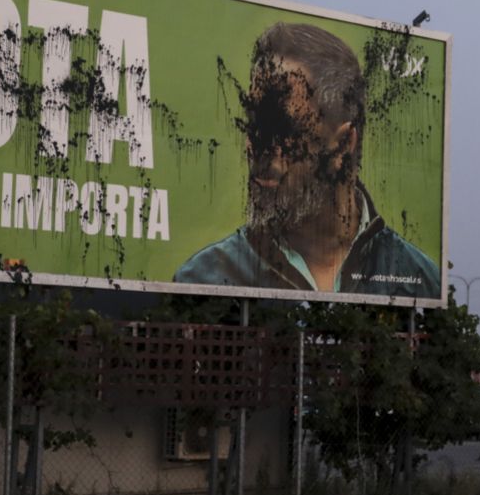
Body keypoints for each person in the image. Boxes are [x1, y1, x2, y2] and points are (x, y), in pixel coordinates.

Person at [174, 22, 440, 297]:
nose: (261, 148)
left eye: (284, 127)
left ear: (343, 145)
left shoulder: (417, 278)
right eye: (254, 122)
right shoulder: (204, 277)